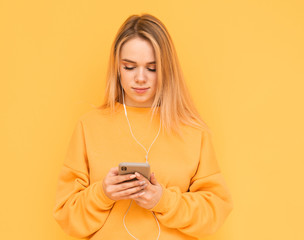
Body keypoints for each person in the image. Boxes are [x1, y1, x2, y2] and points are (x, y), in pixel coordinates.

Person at [53, 13, 233, 240]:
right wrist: (103, 194)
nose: (140, 78)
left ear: (167, 69)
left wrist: (163, 201)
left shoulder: (194, 131)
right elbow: (66, 215)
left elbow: (215, 211)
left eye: (152, 68)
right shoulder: (88, 126)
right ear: (117, 68)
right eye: (129, 67)